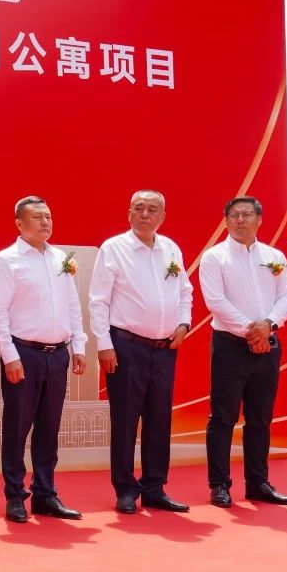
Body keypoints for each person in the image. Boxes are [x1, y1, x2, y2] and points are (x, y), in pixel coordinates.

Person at [89, 190, 194, 514]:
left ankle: (154, 487)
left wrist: (184, 324)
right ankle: (124, 489)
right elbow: (98, 301)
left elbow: (185, 292)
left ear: (162, 216)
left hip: (164, 348)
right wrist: (104, 345)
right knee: (125, 420)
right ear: (129, 213)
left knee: (159, 419)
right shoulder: (113, 248)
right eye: (139, 208)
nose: (145, 214)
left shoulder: (171, 248)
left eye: (152, 209)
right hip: (126, 346)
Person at [0, 196, 88, 523]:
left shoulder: (61, 258)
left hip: (57, 355)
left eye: (48, 216)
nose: (46, 222)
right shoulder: (7, 260)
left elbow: (72, 305)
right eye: (38, 217)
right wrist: (9, 356)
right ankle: (15, 495)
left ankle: (45, 493)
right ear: (19, 224)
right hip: (23, 354)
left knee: (49, 428)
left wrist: (79, 346)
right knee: (17, 428)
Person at [199, 195, 287, 508]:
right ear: (226, 221)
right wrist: (250, 332)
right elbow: (215, 302)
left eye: (246, 214)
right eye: (234, 215)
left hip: (268, 344)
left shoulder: (274, 255)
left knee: (260, 418)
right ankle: (219, 485)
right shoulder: (215, 257)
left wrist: (268, 325)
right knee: (223, 417)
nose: (240, 220)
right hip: (230, 345)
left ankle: (258, 482)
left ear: (259, 220)